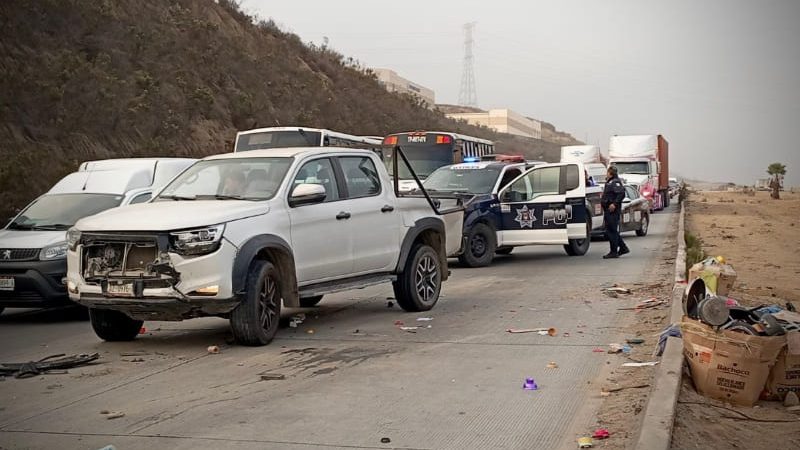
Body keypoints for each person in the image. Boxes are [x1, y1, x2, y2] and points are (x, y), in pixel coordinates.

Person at [601, 166, 629, 259]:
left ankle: (614, 251)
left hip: (613, 210)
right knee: (611, 230)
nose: (606, 174)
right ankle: (623, 247)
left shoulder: (615, 181)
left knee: (612, 231)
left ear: (610, 173)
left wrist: (614, 204)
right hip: (608, 210)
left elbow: (621, 193)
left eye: (607, 172)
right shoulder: (610, 181)